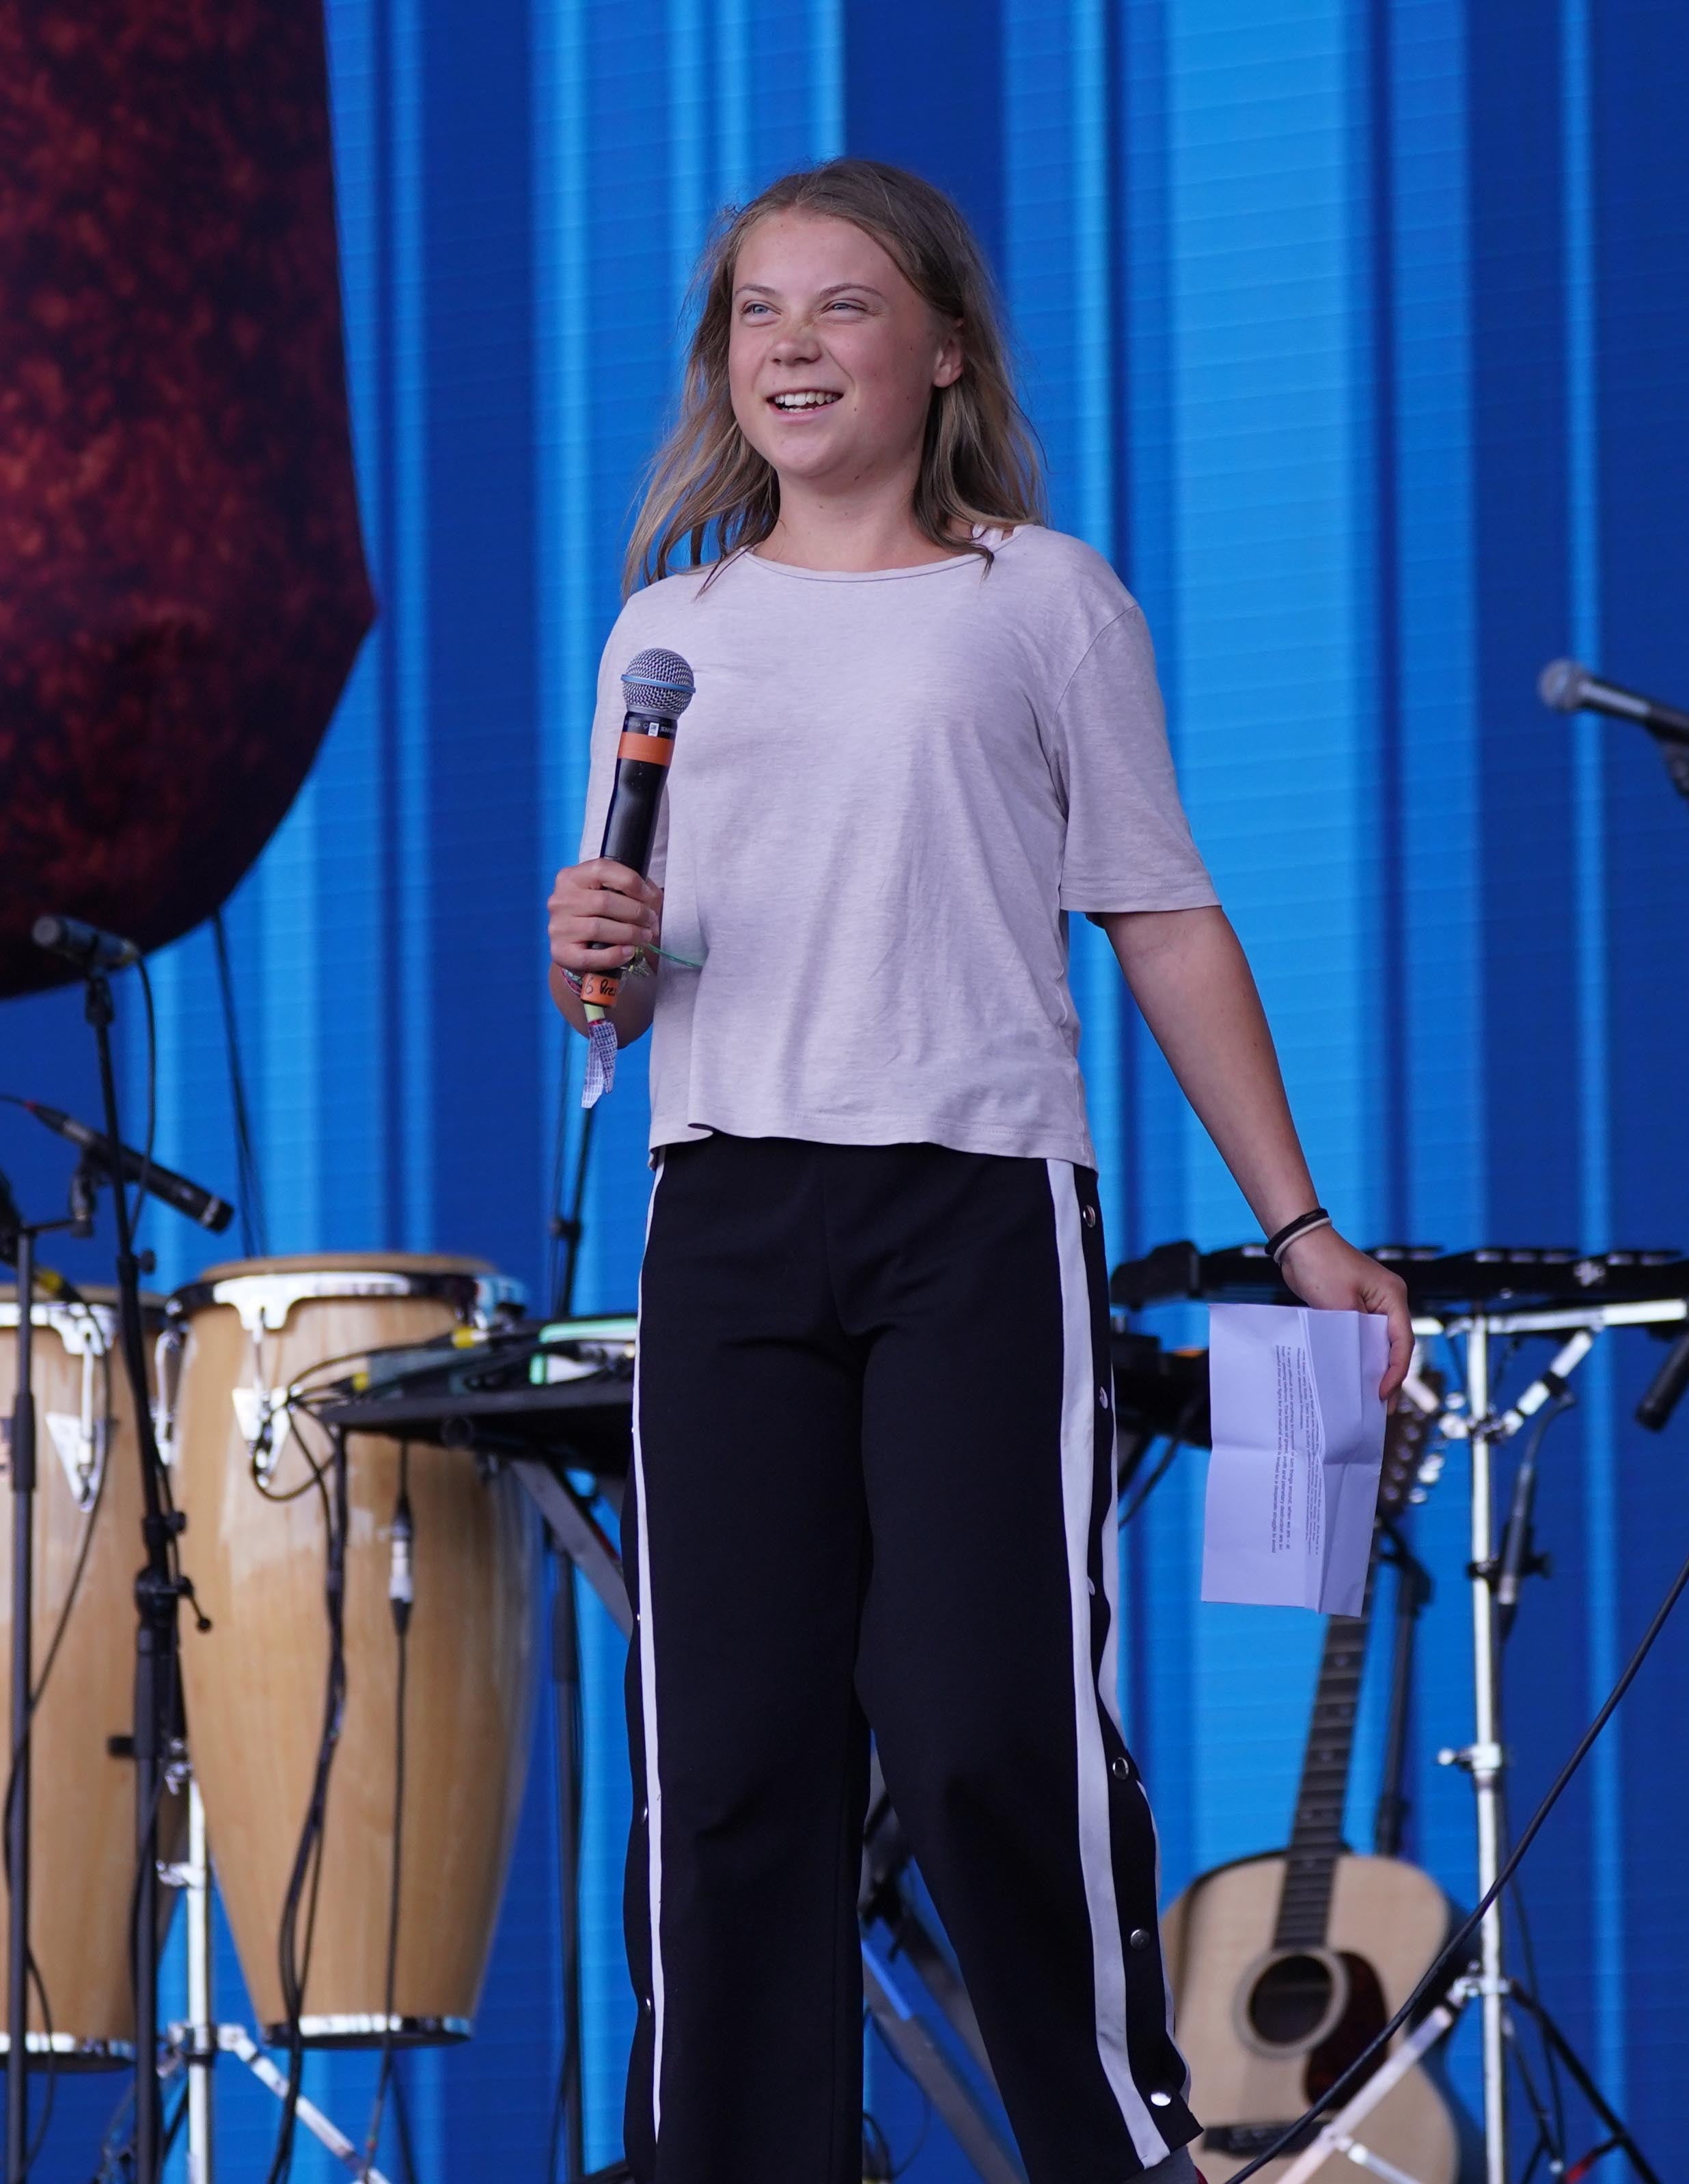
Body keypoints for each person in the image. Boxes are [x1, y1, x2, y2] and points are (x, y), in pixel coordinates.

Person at [547, 156, 1412, 2184]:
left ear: (940, 350)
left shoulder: (1043, 598)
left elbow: (1165, 916)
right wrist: (593, 960)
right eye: (758, 313)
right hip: (728, 1214)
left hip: (972, 1214)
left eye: (842, 308)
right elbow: (627, 994)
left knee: (975, 1727)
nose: (793, 348)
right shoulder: (667, 628)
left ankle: (1116, 2152)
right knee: (734, 1767)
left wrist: (1301, 1227)